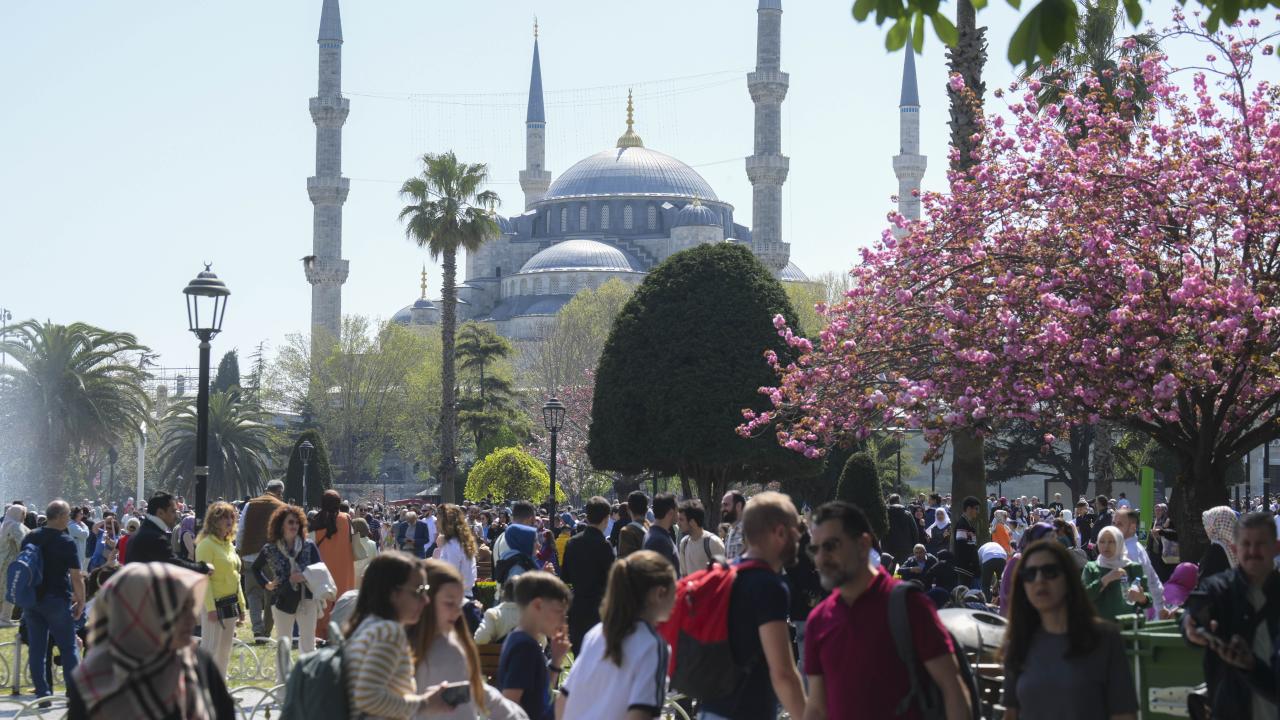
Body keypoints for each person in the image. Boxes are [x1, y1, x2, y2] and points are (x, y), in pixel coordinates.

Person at [802, 500, 970, 720]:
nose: (822, 557)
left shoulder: (909, 606)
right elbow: (816, 708)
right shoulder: (818, 620)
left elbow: (952, 688)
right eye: (815, 548)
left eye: (831, 546)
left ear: (863, 544)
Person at [67, 562, 237, 719]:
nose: (191, 620)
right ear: (143, 611)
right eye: (179, 609)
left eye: (190, 607)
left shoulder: (198, 662)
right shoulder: (93, 680)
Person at [999, 540, 1138, 719]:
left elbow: (1124, 714)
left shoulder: (1105, 638)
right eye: (1030, 574)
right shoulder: (1018, 642)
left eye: (1050, 571)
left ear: (1068, 578)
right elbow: (1010, 714)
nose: (1039, 580)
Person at [700, 492, 806, 720]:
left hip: (711, 709)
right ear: (780, 532)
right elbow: (783, 672)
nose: (799, 537)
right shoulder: (768, 585)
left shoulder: (725, 574)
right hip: (745, 711)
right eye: (796, 529)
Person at [557, 550, 676, 720]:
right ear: (660, 593)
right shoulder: (653, 645)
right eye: (675, 589)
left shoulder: (596, 633)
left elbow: (562, 701)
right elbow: (640, 714)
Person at [1184, 511, 1280, 717]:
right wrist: (1191, 626)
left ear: (1276, 547)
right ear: (1236, 548)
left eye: (1260, 544)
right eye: (1246, 544)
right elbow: (1195, 610)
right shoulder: (1219, 588)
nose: (1253, 551)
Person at [412, 559, 525, 720]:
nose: (458, 612)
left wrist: (513, 715)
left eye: (459, 604)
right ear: (425, 601)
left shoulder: (453, 647)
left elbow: (471, 691)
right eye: (449, 603)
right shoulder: (404, 647)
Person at [344, 552, 451, 719]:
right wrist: (424, 703)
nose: (426, 600)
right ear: (393, 593)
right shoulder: (390, 632)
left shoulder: (367, 626)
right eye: (419, 591)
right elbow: (368, 697)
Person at [22, 500, 85, 700]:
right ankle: (73, 695)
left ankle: (42, 695)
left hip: (32, 600)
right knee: (68, 648)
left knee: (37, 649)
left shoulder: (31, 536)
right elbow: (76, 576)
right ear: (58, 516)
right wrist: (81, 601)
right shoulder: (65, 541)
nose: (68, 519)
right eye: (67, 515)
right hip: (57, 599)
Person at [497, 571, 572, 720]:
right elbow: (510, 705)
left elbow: (539, 692)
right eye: (559, 612)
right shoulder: (525, 647)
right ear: (537, 605)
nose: (563, 621)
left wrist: (556, 660)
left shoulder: (523, 641)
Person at [252, 504, 322, 655]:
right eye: (290, 522)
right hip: (281, 600)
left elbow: (320, 569)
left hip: (306, 599)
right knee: (284, 644)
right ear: (281, 524)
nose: (295, 525)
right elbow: (255, 568)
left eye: (297, 522)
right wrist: (267, 584)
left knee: (308, 644)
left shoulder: (308, 545)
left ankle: (307, 678)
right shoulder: (270, 548)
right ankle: (282, 679)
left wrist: (303, 576)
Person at [560, 496, 614, 654]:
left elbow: (566, 577)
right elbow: (612, 579)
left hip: (577, 609)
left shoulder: (572, 543)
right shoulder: (604, 545)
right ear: (605, 518)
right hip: (599, 610)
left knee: (580, 659)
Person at [196, 501, 245, 673]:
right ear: (213, 521)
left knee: (225, 650)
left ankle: (221, 688)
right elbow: (203, 579)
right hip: (213, 604)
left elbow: (235, 576)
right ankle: (201, 687)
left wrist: (241, 605)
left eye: (231, 516)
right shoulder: (205, 545)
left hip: (230, 603)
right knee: (210, 648)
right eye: (224, 517)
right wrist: (210, 608)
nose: (229, 520)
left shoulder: (230, 545)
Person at [237, 478, 285, 641]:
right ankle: (266, 631)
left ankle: (257, 629)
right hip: (271, 557)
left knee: (252, 593)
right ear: (279, 492)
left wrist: (239, 552)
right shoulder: (281, 507)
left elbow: (241, 530)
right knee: (271, 593)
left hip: (250, 555)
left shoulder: (250, 504)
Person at [126, 492, 211, 575]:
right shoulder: (155, 538)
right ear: (160, 512)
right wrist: (203, 568)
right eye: (173, 511)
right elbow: (174, 565)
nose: (176, 516)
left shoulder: (143, 532)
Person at [1081, 526, 1148, 622]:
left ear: (1120, 543)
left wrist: (1142, 598)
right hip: (1099, 628)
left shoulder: (1133, 568)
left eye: (1112, 541)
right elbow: (1083, 597)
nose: (1106, 546)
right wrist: (1105, 579)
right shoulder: (1091, 567)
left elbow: (1148, 599)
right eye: (1102, 541)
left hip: (1127, 628)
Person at [314, 489, 356, 640]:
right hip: (343, 569)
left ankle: (320, 634)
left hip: (322, 569)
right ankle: (341, 632)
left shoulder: (316, 520)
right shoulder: (346, 519)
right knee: (343, 602)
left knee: (322, 602)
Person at [1113, 508, 1164, 617]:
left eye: (1120, 524)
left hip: (1130, 615)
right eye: (1114, 523)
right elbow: (1154, 580)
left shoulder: (1130, 551)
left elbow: (1133, 587)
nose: (1115, 528)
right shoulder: (1132, 547)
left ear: (1132, 527)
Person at [433, 504, 478, 599]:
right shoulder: (460, 542)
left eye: (438, 519)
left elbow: (451, 576)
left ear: (446, 522)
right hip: (464, 595)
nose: (436, 522)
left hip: (456, 598)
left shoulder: (452, 545)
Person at [676, 499, 725, 576]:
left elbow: (724, 573)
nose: (678, 524)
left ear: (692, 522)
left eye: (681, 520)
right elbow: (684, 575)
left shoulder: (713, 542)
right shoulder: (684, 543)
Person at [0, 503, 29, 624]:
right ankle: (5, 618)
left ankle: (2, 617)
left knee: (3, 589)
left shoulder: (5, 524)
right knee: (11, 588)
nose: (24, 517)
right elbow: (22, 543)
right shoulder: (15, 526)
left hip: (3, 561)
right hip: (12, 562)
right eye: (23, 514)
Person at [1199, 505, 1238, 583]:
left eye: (1207, 524)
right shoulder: (1239, 545)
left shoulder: (1216, 548)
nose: (1206, 527)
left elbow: (1206, 580)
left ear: (1216, 525)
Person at [642, 493, 680, 572]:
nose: (678, 514)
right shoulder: (659, 541)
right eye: (677, 510)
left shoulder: (653, 534)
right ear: (671, 512)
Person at [883, 494, 922, 564]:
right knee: (904, 570)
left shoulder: (885, 515)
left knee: (889, 571)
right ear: (899, 501)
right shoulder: (907, 514)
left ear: (889, 502)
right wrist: (914, 546)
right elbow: (915, 532)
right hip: (906, 548)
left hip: (889, 548)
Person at [617, 491, 649, 559]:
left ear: (628, 509)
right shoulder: (652, 528)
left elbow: (624, 562)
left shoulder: (627, 531)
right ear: (646, 509)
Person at [352, 516, 379, 586]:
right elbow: (375, 565)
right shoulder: (372, 544)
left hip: (351, 580)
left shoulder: (349, 544)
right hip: (366, 580)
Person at [721, 490, 747, 562]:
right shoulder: (730, 531)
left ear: (738, 506)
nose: (723, 509)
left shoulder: (749, 530)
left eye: (726, 505)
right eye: (722, 506)